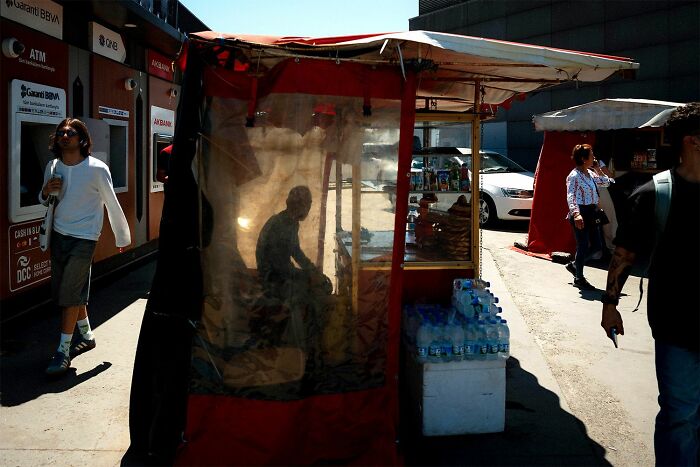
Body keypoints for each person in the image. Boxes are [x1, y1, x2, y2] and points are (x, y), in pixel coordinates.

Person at [600, 102, 700, 466]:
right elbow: (623, 255)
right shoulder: (654, 194)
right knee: (681, 414)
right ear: (692, 141)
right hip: (677, 325)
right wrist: (610, 306)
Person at [40, 118, 131, 376]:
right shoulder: (53, 166)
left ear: (82, 139)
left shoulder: (97, 169)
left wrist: (121, 238)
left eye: (70, 132)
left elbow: (111, 203)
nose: (64, 135)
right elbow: (43, 198)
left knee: (68, 292)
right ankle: (88, 336)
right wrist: (46, 190)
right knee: (67, 289)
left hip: (85, 237)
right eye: (61, 132)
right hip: (59, 235)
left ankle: (63, 351)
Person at [564, 143, 604, 290]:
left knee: (597, 246)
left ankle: (575, 265)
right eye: (591, 155)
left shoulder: (591, 173)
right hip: (580, 213)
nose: (594, 157)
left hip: (592, 212)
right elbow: (571, 196)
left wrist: (599, 170)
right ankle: (579, 278)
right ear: (583, 158)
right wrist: (576, 214)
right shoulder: (574, 176)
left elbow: (606, 183)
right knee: (582, 245)